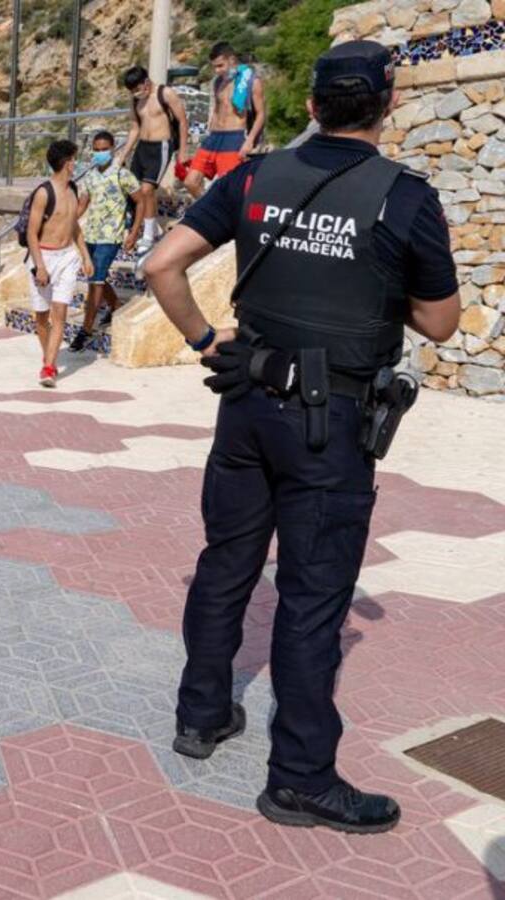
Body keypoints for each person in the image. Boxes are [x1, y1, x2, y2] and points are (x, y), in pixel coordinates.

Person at [143, 40, 459, 833]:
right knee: (313, 600)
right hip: (331, 421)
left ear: (312, 105)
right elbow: (443, 321)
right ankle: (301, 777)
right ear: (386, 108)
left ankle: (202, 716)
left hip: (246, 404)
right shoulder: (405, 198)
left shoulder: (254, 177)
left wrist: (204, 341)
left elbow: (161, 265)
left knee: (225, 566)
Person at [26, 139, 94, 387]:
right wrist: (40, 266)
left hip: (67, 257)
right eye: (74, 159)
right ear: (67, 163)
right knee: (42, 318)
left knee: (60, 313)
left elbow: (72, 225)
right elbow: (32, 233)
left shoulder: (73, 189)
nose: (76, 164)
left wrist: (85, 255)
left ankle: (48, 367)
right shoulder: (44, 193)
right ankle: (49, 358)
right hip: (43, 256)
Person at [71, 131, 143, 352]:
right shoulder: (90, 176)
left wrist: (134, 231)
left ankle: (86, 329)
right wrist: (65, 222)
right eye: (97, 149)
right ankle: (114, 305)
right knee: (97, 276)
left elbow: (140, 201)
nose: (100, 153)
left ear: (113, 149)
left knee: (95, 282)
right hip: (90, 235)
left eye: (104, 149)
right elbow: (82, 204)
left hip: (110, 237)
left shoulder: (122, 175)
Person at [116, 65, 190, 255]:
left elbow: (182, 120)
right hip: (142, 147)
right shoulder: (135, 101)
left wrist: (183, 150)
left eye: (137, 89)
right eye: (132, 91)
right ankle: (145, 226)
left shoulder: (165, 94)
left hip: (161, 147)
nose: (136, 93)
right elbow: (134, 128)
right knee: (133, 190)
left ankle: (149, 236)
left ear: (146, 83)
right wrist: (123, 155)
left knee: (147, 189)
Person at [185, 43, 267, 200]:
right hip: (214, 137)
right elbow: (216, 110)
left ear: (232, 59)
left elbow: (261, 114)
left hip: (234, 136)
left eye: (220, 66)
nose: (217, 71)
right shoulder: (218, 82)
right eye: (214, 67)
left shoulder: (251, 81)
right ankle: (208, 208)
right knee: (191, 181)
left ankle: (224, 219)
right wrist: (207, 133)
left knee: (229, 188)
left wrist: (249, 141)